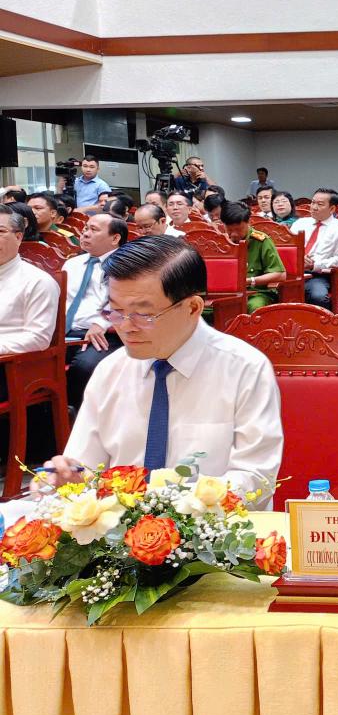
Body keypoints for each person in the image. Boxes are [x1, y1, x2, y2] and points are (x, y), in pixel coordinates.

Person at [46, 236, 283, 502]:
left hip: (215, 524)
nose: (125, 327)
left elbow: (255, 478)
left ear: (193, 307)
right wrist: (66, 479)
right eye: (116, 311)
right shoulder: (110, 370)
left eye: (143, 314)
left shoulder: (244, 369)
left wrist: (166, 506)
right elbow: (84, 466)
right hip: (117, 523)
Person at [64, 214, 128, 407]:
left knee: (85, 367)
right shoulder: (72, 264)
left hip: (106, 333)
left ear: (115, 238)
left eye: (94, 230)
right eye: (85, 228)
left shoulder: (127, 265)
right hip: (64, 332)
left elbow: (127, 303)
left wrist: (100, 323)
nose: (85, 233)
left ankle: (77, 414)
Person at [0, 204, 59, 358]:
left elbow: (38, 338)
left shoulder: (38, 281)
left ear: (18, 237)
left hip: (11, 363)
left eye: (1, 232)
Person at [222, 202, 287, 312]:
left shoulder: (261, 241)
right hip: (226, 294)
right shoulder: (219, 242)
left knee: (254, 307)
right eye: (229, 230)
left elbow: (280, 274)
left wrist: (250, 281)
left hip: (257, 293)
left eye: (238, 230)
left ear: (249, 222)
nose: (234, 234)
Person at [291, 188, 338, 307]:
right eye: (313, 202)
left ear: (332, 209)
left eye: (320, 204)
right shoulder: (300, 223)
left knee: (318, 297)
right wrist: (298, 257)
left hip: (318, 274)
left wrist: (314, 265)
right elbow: (289, 247)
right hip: (293, 272)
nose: (314, 207)